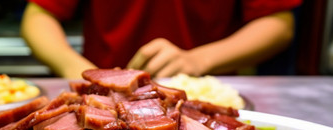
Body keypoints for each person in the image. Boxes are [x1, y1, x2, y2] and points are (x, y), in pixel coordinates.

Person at [21, 0, 302, 79]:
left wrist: (197, 59)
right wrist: (77, 70)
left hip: (203, 94)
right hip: (101, 97)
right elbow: (37, 17)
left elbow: (278, 24)